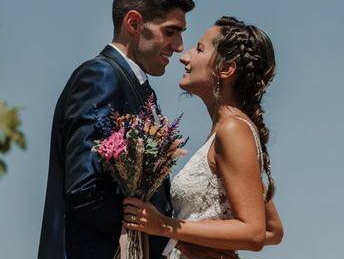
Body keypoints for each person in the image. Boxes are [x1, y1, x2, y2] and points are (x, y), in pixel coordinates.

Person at [38, 0, 195, 259]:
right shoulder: (100, 77)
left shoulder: (142, 90)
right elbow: (84, 188)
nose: (179, 46)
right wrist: (151, 233)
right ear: (134, 22)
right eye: (170, 31)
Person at [122, 16, 284, 258]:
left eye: (199, 49)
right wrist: (206, 244)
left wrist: (165, 226)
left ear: (226, 69)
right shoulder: (226, 130)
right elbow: (274, 229)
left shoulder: (233, 130)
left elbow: (254, 232)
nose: (184, 57)